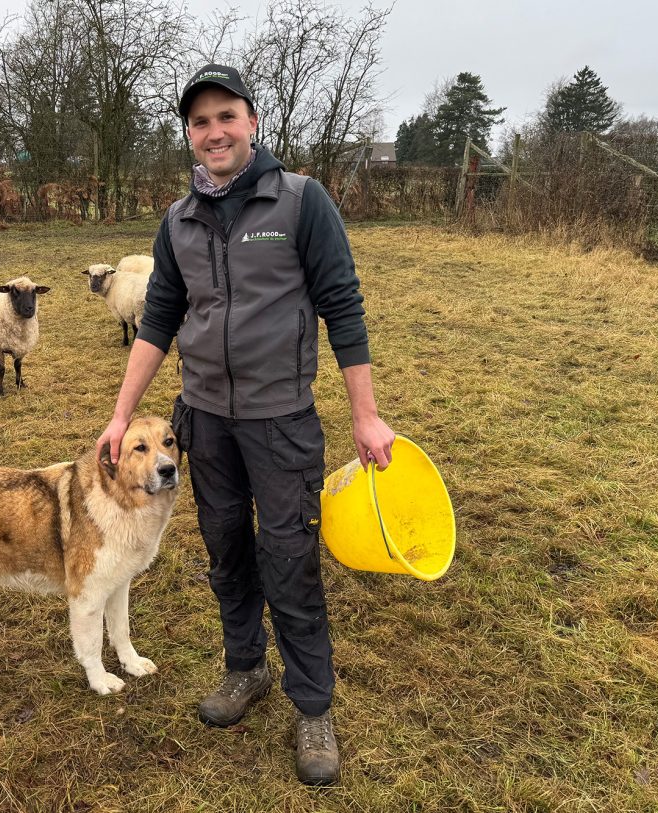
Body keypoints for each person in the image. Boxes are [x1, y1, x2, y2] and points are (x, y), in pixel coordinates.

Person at [95, 63, 395, 786]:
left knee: (289, 560)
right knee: (227, 552)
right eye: (200, 122)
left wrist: (366, 414)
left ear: (252, 122)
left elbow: (343, 305)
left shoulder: (300, 201)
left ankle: (312, 706)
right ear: (190, 135)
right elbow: (159, 318)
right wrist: (122, 413)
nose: (215, 131)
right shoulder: (179, 220)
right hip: (206, 422)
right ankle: (245, 667)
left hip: (281, 421)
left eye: (226, 116)